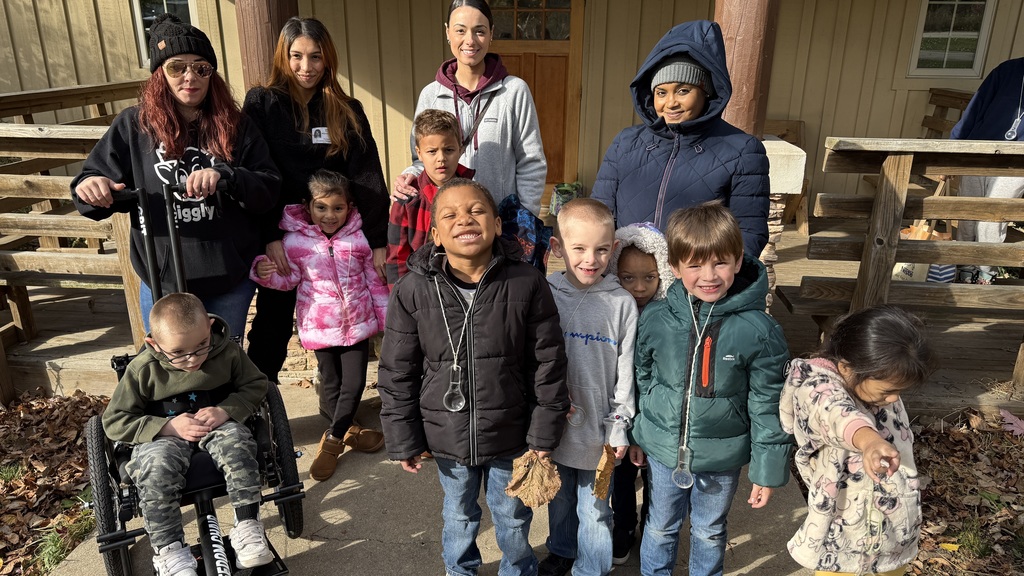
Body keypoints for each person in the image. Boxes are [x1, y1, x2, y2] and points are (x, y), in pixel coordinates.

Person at [378, 178, 568, 576]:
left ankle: (519, 569)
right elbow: (398, 370)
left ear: (498, 225)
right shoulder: (413, 289)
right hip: (446, 434)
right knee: (459, 516)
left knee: (513, 519)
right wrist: (403, 436)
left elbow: (547, 364)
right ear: (435, 234)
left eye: (477, 211)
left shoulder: (526, 282)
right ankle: (459, 570)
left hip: (511, 432)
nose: (464, 219)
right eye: (450, 214)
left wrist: (542, 435)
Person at [71, 13, 280, 338]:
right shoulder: (133, 126)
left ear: (212, 74)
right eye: (176, 67)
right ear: (159, 74)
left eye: (201, 68)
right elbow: (90, 188)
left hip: (228, 276)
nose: (189, 76)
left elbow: (268, 188)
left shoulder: (236, 125)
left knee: (222, 366)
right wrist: (92, 186)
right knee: (171, 370)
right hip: (161, 280)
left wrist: (227, 176)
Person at [629, 201, 792, 576]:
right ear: (674, 268)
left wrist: (766, 470)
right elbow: (644, 378)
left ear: (738, 261)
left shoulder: (760, 331)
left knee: (709, 530)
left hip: (721, 459)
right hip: (664, 451)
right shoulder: (657, 318)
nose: (709, 275)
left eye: (720, 262)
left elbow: (769, 404)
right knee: (659, 525)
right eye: (695, 265)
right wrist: (638, 433)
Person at [243, 17, 390, 384]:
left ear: (328, 60)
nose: (305, 67)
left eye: (315, 57)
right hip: (284, 232)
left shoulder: (346, 108)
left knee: (342, 321)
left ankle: (340, 407)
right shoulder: (262, 104)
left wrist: (378, 241)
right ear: (283, 57)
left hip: (335, 232)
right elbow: (253, 172)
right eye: (296, 56)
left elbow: (368, 177)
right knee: (273, 318)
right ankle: (262, 399)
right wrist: (269, 235)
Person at [102, 293, 273, 575]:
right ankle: (170, 551)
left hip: (216, 422)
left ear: (209, 326)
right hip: (164, 434)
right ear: (154, 344)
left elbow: (256, 384)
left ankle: (248, 527)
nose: (193, 359)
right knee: (156, 468)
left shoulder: (226, 353)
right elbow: (115, 421)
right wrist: (166, 427)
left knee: (239, 444)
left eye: (201, 345)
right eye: (179, 352)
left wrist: (227, 410)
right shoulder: (142, 370)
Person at [590, 20, 770, 259]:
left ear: (706, 91)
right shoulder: (626, 143)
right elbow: (599, 216)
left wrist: (712, 285)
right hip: (625, 280)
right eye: (661, 93)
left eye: (683, 90)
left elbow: (747, 232)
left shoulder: (742, 150)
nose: (671, 102)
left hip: (693, 285)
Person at [251, 170, 388, 481]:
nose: (330, 215)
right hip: (319, 326)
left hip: (357, 324)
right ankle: (347, 430)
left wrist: (385, 318)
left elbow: (374, 283)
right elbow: (286, 279)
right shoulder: (295, 242)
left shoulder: (359, 238)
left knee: (353, 386)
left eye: (338, 208)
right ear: (308, 207)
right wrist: (263, 270)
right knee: (333, 386)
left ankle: (332, 442)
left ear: (350, 207)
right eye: (322, 208)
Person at [780, 305, 934, 576]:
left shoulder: (875, 385)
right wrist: (869, 441)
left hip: (891, 536)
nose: (895, 399)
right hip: (842, 543)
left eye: (900, 391)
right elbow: (838, 414)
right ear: (847, 368)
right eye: (889, 391)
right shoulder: (817, 388)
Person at [539, 199, 637, 576]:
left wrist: (619, 425)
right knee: (560, 498)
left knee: (595, 506)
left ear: (613, 250)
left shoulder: (621, 304)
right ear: (557, 248)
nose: (590, 259)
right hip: (555, 425)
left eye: (600, 249)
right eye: (578, 248)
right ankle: (562, 550)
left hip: (600, 430)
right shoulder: (545, 291)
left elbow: (626, 373)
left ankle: (591, 568)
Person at [391, 0, 546, 217]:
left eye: (480, 31)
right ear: (447, 32)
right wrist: (408, 176)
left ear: (491, 33)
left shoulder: (514, 91)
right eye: (460, 31)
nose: (470, 41)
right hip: (448, 223)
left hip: (499, 224)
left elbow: (531, 163)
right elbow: (420, 160)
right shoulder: (431, 95)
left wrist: (524, 219)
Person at [604, 222, 675, 565]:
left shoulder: (668, 317)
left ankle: (651, 531)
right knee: (620, 475)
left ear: (663, 273)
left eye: (649, 277)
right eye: (628, 278)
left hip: (657, 416)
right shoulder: (611, 311)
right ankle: (623, 529)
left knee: (656, 480)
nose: (639, 287)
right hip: (620, 410)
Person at [948, 57, 1024, 284]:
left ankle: (985, 272)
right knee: (968, 213)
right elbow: (975, 109)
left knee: (993, 217)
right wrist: (951, 151)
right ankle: (964, 268)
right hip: (978, 150)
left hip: (1018, 160)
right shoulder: (1008, 70)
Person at [386, 109, 473, 288]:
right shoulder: (406, 199)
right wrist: (400, 298)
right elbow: (397, 258)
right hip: (421, 289)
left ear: (461, 149)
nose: (441, 158)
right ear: (419, 153)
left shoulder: (474, 194)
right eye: (432, 151)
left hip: (466, 285)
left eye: (448, 150)